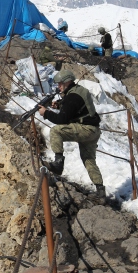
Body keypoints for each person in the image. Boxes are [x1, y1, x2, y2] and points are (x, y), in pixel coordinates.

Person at [38, 69, 105, 198]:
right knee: (89, 160)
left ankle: (58, 163)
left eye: (60, 83)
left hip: (86, 129)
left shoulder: (72, 96)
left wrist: (46, 113)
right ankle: (100, 191)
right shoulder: (77, 91)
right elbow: (73, 108)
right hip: (93, 130)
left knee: (56, 131)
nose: (58, 86)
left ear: (67, 82)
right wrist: (59, 105)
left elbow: (62, 119)